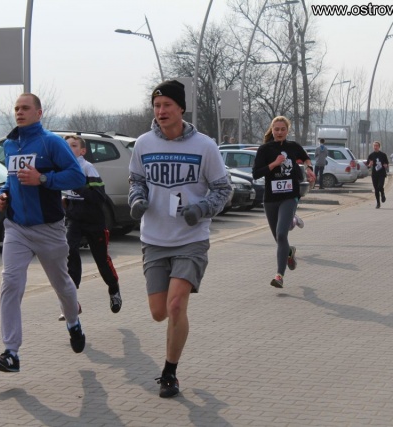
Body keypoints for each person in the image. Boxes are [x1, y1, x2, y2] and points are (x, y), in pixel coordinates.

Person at [128, 80, 232, 398]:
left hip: (191, 238)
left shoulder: (204, 146)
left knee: (175, 305)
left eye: (167, 105)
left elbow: (223, 189)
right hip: (154, 239)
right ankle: (171, 358)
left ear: (181, 108)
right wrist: (137, 199)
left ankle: (170, 372)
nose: (161, 111)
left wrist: (201, 209)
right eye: (156, 106)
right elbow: (136, 180)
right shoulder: (143, 144)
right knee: (158, 311)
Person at [0, 93, 88, 373]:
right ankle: (11, 353)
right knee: (10, 283)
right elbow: (11, 180)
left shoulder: (51, 142)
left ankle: (73, 322)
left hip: (49, 229)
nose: (19, 113)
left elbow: (77, 177)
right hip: (17, 228)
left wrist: (43, 178)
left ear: (39, 113)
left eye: (25, 108)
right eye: (16, 109)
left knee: (62, 284)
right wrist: (2, 195)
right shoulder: (10, 144)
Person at [60, 134, 122, 321]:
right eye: (66, 146)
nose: (69, 149)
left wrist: (78, 187)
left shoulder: (87, 168)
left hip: (94, 221)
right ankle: (71, 302)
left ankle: (114, 289)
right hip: (74, 220)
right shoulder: (64, 168)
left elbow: (99, 197)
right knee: (70, 252)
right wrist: (65, 202)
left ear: (82, 151)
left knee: (101, 260)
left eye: (73, 145)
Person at [252, 116, 315, 289]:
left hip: (290, 196)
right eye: (276, 129)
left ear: (287, 130)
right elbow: (256, 173)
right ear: (272, 130)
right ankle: (289, 252)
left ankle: (279, 275)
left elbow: (306, 158)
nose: (279, 132)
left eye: (283, 129)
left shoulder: (293, 146)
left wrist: (309, 169)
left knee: (281, 234)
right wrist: (274, 164)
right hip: (271, 198)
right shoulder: (264, 149)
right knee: (279, 239)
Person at [367, 141, 389, 209]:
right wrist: (369, 165)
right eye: (374, 146)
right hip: (374, 174)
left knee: (380, 186)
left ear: (379, 147)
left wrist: (385, 165)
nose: (375, 147)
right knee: (376, 189)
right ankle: (378, 203)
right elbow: (368, 165)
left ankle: (382, 194)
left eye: (377, 146)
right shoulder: (371, 155)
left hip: (381, 174)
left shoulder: (383, 155)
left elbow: (386, 164)